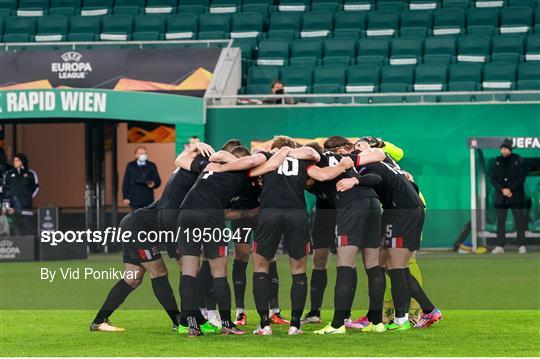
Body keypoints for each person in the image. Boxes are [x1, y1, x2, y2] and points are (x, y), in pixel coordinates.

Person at [90, 142, 219, 334]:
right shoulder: (191, 179)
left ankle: (99, 321)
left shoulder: (183, 176)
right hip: (139, 227)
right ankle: (180, 322)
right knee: (159, 272)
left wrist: (194, 147)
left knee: (132, 279)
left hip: (136, 224)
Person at [490, 138, 528, 255]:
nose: (504, 151)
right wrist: (502, 190)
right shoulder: (496, 161)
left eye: (506, 148)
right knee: (500, 222)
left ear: (510, 149)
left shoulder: (518, 159)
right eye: (502, 148)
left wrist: (510, 190)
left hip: (515, 195)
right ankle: (500, 245)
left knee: (519, 221)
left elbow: (521, 178)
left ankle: (521, 245)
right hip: (501, 197)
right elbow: (493, 179)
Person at [4, 153, 39, 235]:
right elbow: (5, 189)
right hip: (13, 208)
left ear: (22, 162)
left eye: (17, 160)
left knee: (28, 228)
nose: (15, 162)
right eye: (14, 160)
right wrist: (8, 203)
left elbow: (36, 187)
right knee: (13, 228)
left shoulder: (31, 173)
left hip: (26, 206)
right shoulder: (9, 174)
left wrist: (28, 197)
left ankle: (29, 247)